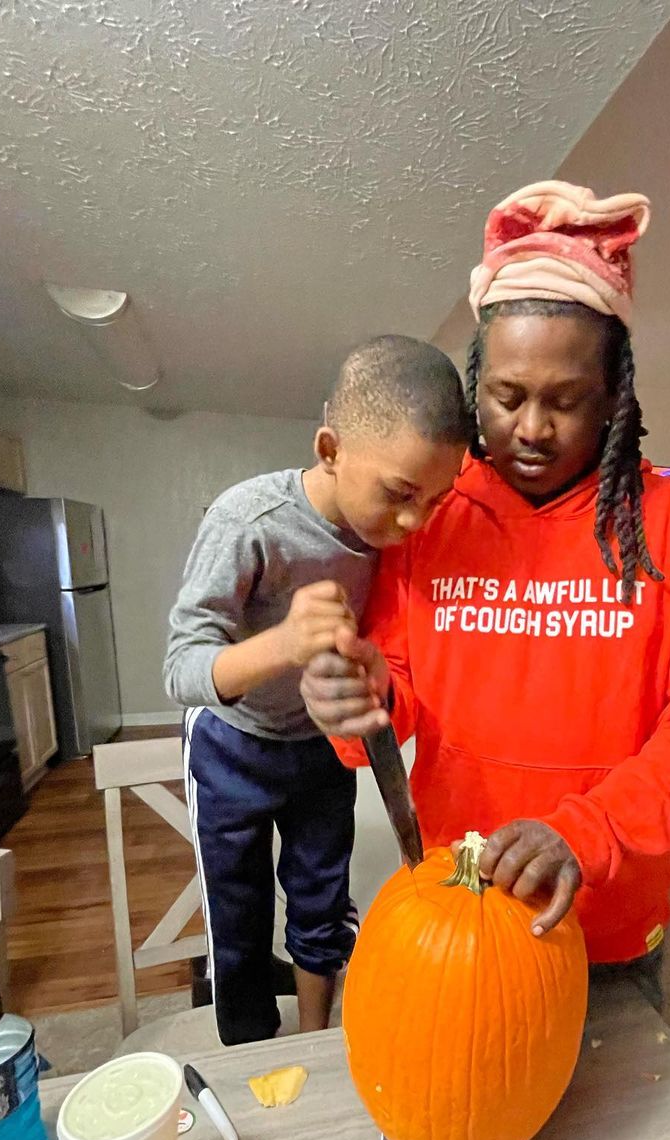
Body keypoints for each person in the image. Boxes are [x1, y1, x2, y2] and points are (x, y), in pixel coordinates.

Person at [301, 183, 670, 1003]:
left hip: (608, 926)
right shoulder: (433, 515)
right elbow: (393, 693)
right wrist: (357, 699)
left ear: (614, 396)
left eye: (566, 401)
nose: (531, 428)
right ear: (475, 385)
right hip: (459, 913)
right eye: (506, 396)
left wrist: (588, 832)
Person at [164, 336, 471, 1044]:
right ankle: (248, 1053)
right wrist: (283, 643)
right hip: (232, 746)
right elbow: (182, 669)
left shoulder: (402, 543)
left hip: (322, 752)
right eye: (400, 494)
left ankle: (314, 1044)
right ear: (330, 449)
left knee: (322, 906)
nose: (415, 522)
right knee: (237, 920)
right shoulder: (248, 521)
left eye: (436, 499)